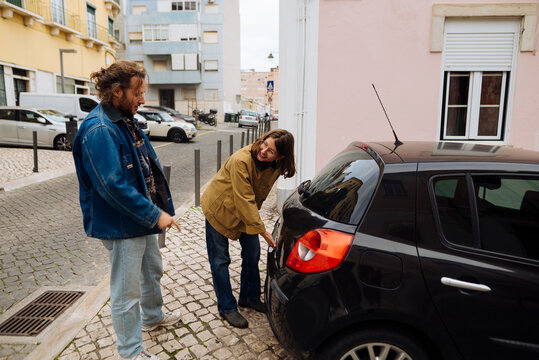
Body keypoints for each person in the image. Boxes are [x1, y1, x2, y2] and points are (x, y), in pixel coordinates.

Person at [72, 60, 181, 360]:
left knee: (152, 270)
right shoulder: (100, 129)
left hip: (140, 219)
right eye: (138, 93)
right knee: (125, 292)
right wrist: (155, 215)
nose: (143, 100)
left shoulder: (124, 118)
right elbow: (112, 187)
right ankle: (131, 353)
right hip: (122, 225)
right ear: (117, 92)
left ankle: (152, 316)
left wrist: (157, 208)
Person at [201, 129, 296, 328]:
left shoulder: (277, 165)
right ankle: (227, 307)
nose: (263, 150)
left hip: (245, 211)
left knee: (253, 252)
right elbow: (243, 198)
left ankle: (249, 297)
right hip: (219, 208)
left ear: (281, 156)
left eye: (270, 151)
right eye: (265, 144)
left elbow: (255, 194)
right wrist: (263, 231)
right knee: (220, 260)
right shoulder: (241, 161)